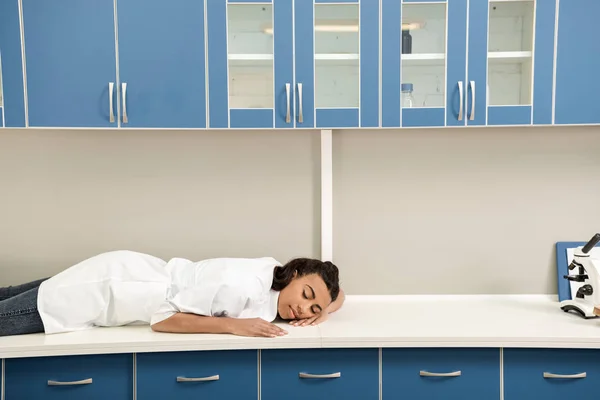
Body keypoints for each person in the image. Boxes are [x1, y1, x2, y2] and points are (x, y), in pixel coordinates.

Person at [0, 250, 344, 338]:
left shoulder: (272, 273)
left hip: (126, 271)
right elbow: (163, 321)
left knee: (8, 296)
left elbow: (337, 293)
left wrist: (325, 309)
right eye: (306, 294)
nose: (303, 308)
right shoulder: (243, 290)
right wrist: (234, 326)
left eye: (312, 306)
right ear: (295, 274)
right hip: (107, 290)